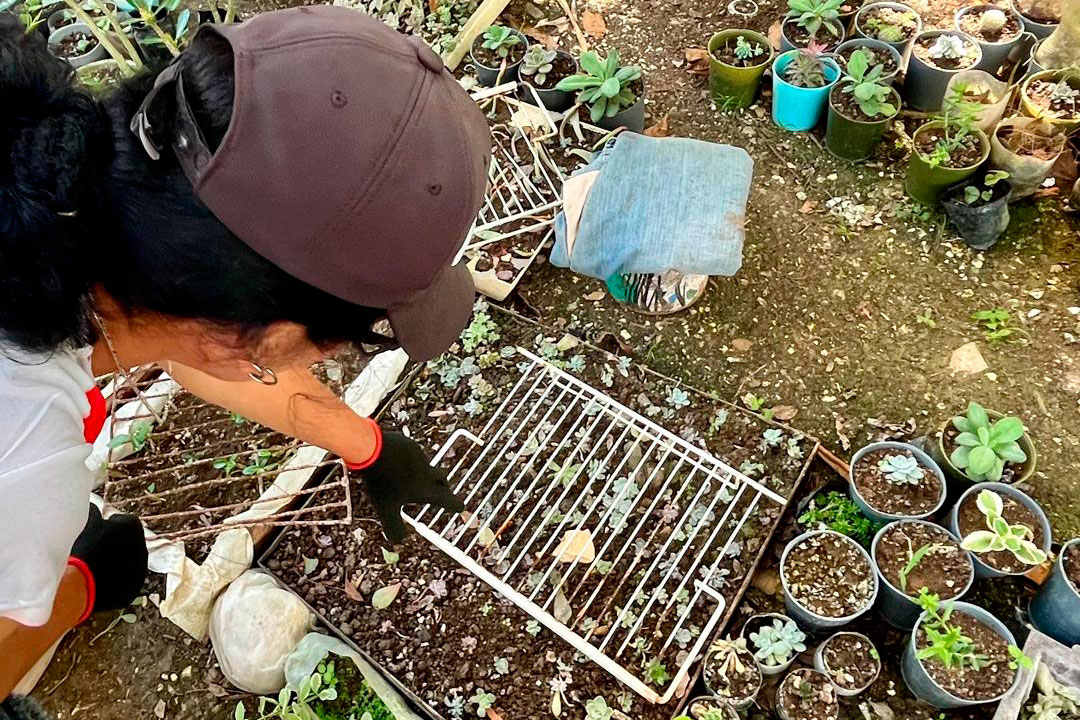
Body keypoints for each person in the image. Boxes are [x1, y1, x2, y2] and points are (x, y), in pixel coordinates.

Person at [0, 5, 490, 703]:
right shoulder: (20, 469)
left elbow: (191, 341)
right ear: (279, 338)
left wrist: (364, 445)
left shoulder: (62, 193)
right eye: (343, 339)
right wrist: (74, 591)